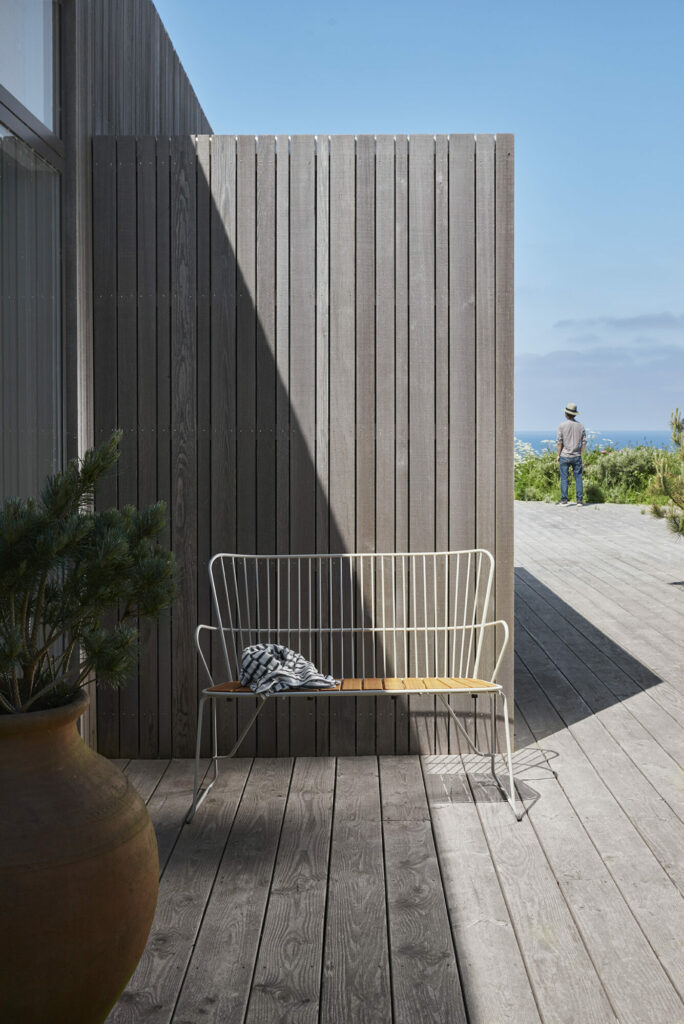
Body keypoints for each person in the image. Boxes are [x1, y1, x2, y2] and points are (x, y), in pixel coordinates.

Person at [556, 402, 586, 505]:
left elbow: (559, 442)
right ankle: (579, 501)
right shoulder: (581, 426)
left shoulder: (561, 426)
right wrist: (580, 452)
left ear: (566, 414)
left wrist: (558, 455)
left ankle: (564, 500)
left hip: (564, 456)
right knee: (578, 478)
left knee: (564, 478)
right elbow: (584, 442)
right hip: (576, 456)